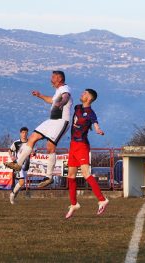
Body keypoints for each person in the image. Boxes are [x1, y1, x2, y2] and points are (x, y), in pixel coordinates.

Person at [4, 71, 73, 188]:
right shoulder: (58, 91)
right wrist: (40, 95)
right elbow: (52, 100)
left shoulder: (65, 88)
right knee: (32, 137)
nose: (51, 79)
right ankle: (18, 164)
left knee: (50, 147)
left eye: (53, 77)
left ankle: (49, 177)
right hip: (52, 121)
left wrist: (61, 103)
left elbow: (66, 97)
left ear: (59, 79)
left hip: (62, 121)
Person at [65, 89, 109, 219]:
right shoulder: (78, 107)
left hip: (82, 145)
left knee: (85, 173)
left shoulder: (90, 113)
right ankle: (74, 204)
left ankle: (102, 200)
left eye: (84, 93)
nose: (82, 94)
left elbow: (95, 123)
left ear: (89, 98)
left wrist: (98, 129)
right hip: (72, 145)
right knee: (71, 176)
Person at [8, 127, 31, 205]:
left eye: (26, 132)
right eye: (23, 132)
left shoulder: (30, 143)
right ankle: (12, 194)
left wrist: (34, 153)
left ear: (27, 133)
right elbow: (10, 150)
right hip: (18, 164)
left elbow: (33, 151)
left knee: (22, 184)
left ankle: (13, 196)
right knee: (21, 182)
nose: (24, 134)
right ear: (20, 133)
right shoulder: (16, 143)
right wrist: (12, 156)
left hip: (26, 165)